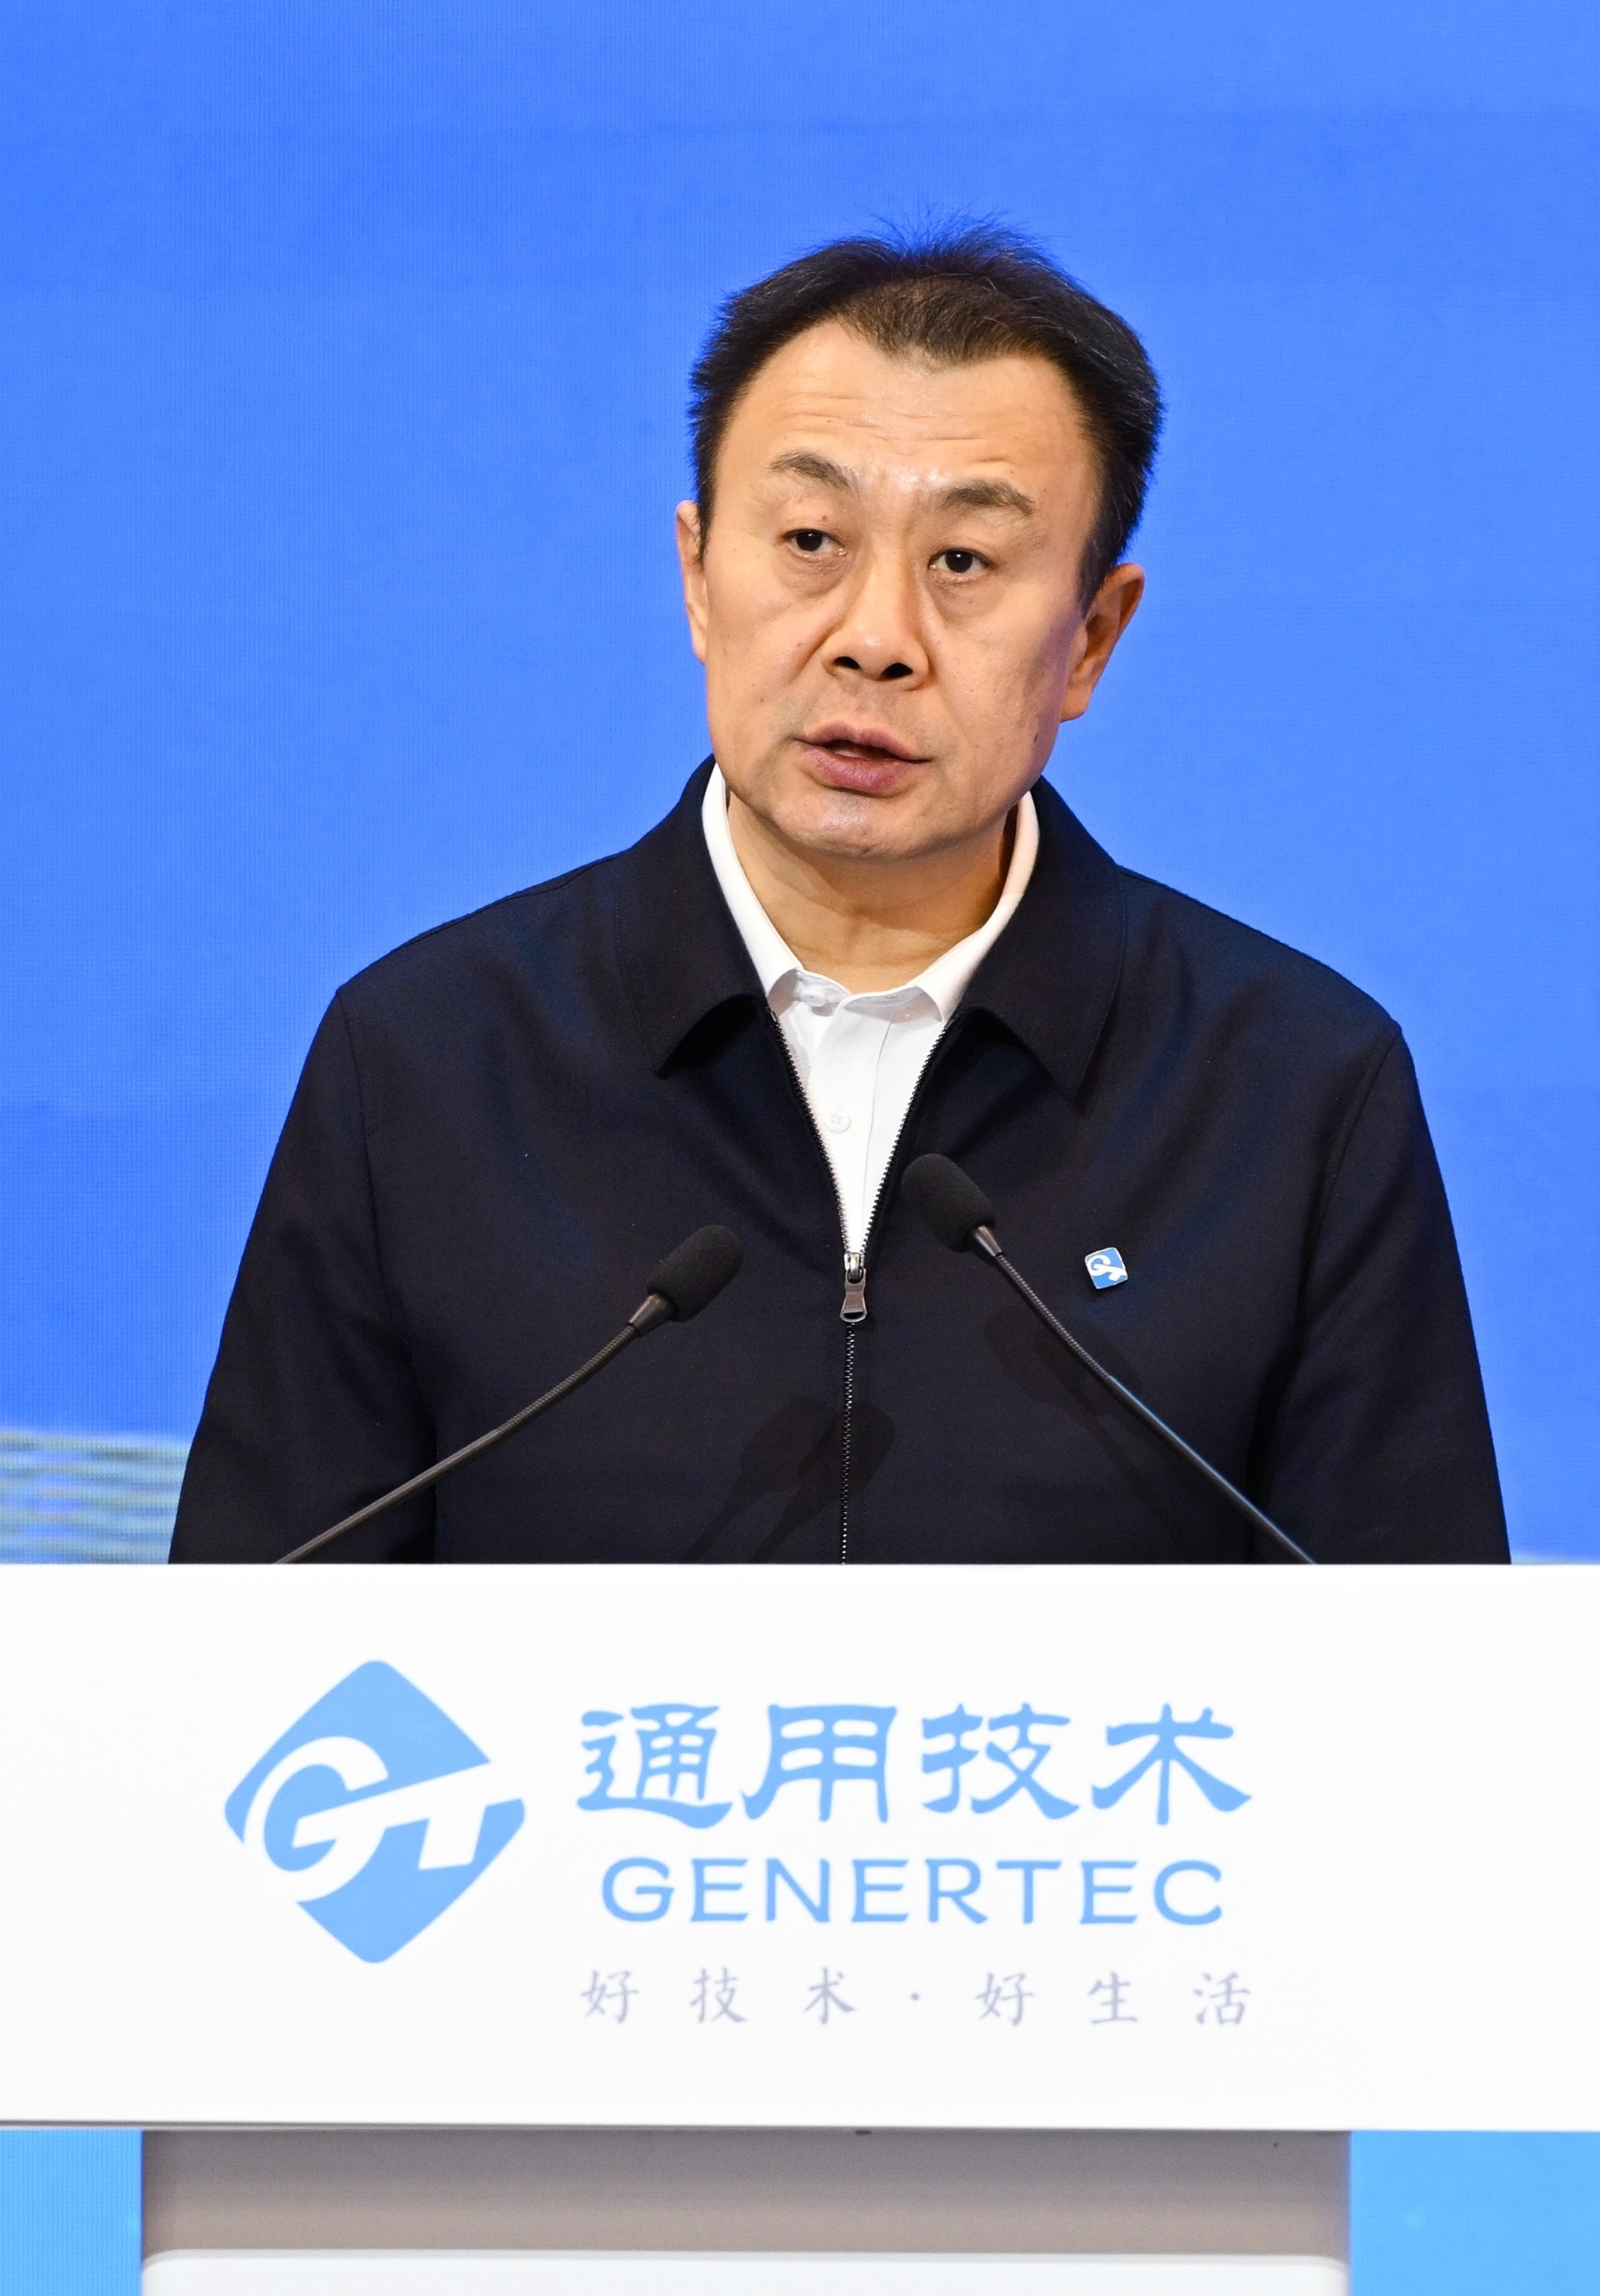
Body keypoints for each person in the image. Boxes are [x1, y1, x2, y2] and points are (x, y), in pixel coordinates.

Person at [170, 222, 1504, 1564]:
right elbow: (251, 1653)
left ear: (1093, 638)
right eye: (811, 538)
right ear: (699, 575)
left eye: (963, 562)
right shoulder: (429, 1063)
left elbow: (1421, 1678)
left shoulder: (1292, 1093)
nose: (876, 640)